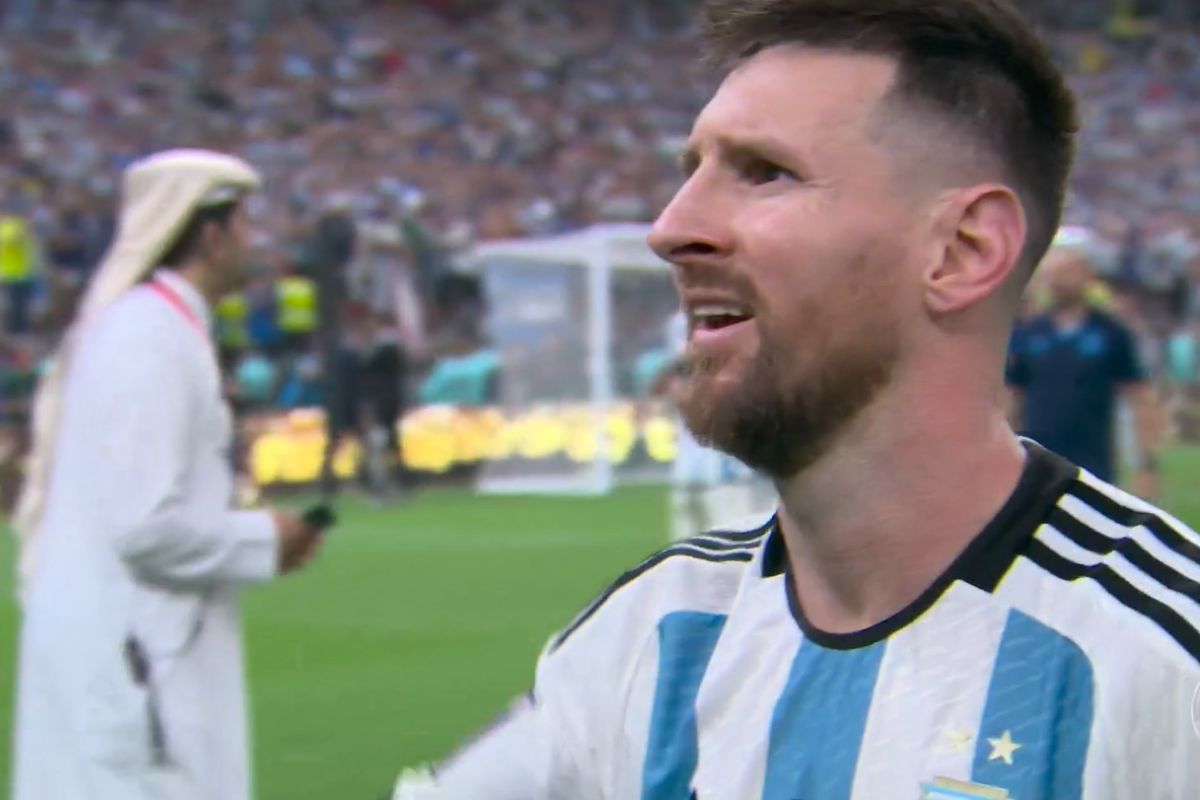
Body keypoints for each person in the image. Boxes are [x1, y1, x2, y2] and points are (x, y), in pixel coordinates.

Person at [390, 1, 1200, 798]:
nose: (670, 229)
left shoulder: (1161, 666)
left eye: (765, 173)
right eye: (690, 171)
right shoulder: (643, 640)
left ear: (962, 250)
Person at [11, 149, 325, 800]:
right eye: (245, 224)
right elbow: (144, 526)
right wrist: (265, 538)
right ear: (211, 236)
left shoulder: (157, 329)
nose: (255, 242)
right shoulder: (148, 338)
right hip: (134, 664)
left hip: (137, 653)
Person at [1007, 241, 1162, 490]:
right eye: (1051, 274)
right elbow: (1013, 395)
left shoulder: (1111, 333)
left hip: (1093, 461)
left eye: (1066, 272)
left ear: (1088, 275)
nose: (1057, 281)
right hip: (1037, 460)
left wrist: (1146, 463)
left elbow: (1138, 396)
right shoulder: (1029, 333)